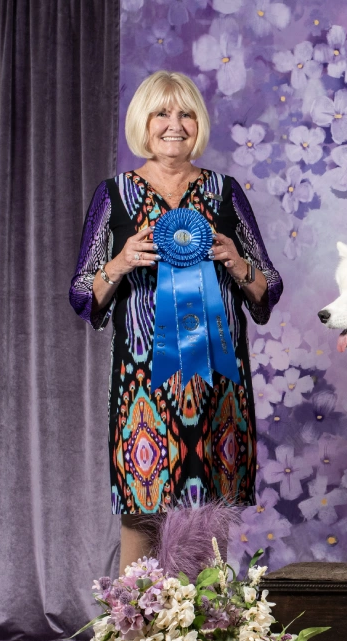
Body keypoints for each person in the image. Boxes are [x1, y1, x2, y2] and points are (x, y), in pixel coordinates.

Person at [70, 71, 282, 574]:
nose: (174, 124)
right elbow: (83, 294)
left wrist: (237, 261)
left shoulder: (225, 192)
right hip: (144, 382)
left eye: (185, 113)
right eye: (161, 113)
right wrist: (118, 263)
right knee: (143, 513)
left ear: (199, 124)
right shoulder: (114, 195)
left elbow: (267, 289)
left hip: (218, 382)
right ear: (142, 123)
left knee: (210, 517)